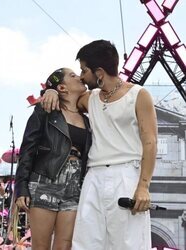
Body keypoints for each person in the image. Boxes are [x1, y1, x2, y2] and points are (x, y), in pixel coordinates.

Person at [41, 40, 158, 250]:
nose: (82, 76)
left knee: (129, 244)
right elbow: (65, 96)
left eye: (84, 70)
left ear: (100, 72)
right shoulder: (90, 98)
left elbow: (150, 142)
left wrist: (143, 187)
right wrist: (50, 92)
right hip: (93, 178)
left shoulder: (139, 95)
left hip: (127, 176)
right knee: (85, 243)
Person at [14, 68, 92, 250]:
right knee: (41, 246)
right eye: (73, 76)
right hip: (44, 180)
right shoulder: (46, 110)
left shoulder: (87, 118)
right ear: (63, 88)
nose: (79, 77)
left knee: (65, 245)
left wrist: (49, 91)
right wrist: (21, 187)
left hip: (74, 186)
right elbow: (27, 149)